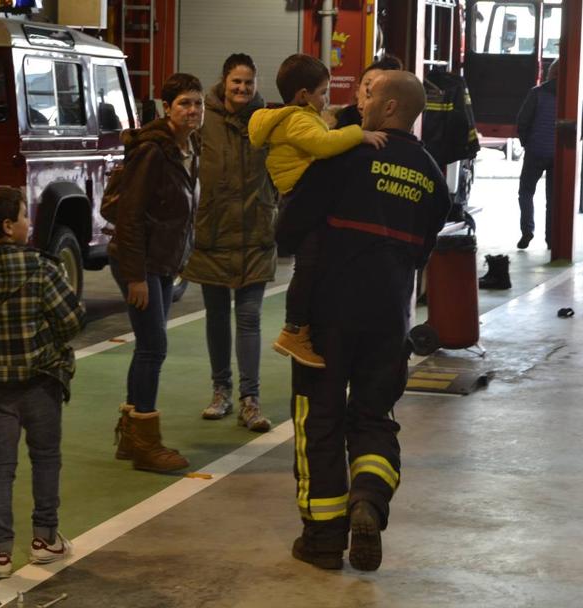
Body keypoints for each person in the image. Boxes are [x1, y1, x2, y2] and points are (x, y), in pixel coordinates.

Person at [275, 70, 451, 572]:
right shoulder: (431, 174)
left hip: (327, 315)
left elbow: (287, 232)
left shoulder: (345, 156)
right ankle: (368, 501)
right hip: (390, 319)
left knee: (320, 418)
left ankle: (323, 538)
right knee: (373, 417)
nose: (361, 100)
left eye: (370, 94)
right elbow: (423, 249)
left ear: (391, 108)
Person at [0, 186, 85, 579]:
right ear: (9, 227)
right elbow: (72, 321)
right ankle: (45, 539)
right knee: (45, 458)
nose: (28, 222)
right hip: (39, 381)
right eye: (24, 216)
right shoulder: (42, 267)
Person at [249, 53, 388, 369]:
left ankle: (300, 327)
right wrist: (360, 135)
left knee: (311, 265)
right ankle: (294, 329)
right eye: (323, 92)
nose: (327, 99)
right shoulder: (297, 119)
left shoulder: (293, 118)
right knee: (308, 267)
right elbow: (323, 145)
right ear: (303, 95)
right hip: (302, 197)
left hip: (302, 196)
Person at [110, 73, 203, 472]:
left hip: (162, 261)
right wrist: (135, 277)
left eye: (198, 103)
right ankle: (145, 444)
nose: (193, 110)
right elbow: (129, 216)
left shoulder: (188, 147)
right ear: (168, 108)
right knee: (154, 346)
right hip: (140, 262)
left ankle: (131, 436)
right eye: (184, 103)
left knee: (149, 346)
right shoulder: (153, 151)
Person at [181, 53, 276, 432]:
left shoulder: (265, 119)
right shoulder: (203, 118)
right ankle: (221, 391)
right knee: (218, 317)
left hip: (255, 232)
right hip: (213, 233)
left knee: (250, 317)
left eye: (248, 82)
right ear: (224, 81)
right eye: (236, 82)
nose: (242, 88)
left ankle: (250, 400)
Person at [515, 59, 559, 250]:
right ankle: (551, 238)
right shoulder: (572, 95)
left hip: (535, 151)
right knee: (553, 198)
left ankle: (527, 230)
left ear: (552, 73)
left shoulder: (537, 93)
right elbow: (582, 126)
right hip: (558, 155)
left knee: (526, 192)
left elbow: (522, 121)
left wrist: (527, 143)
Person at [333, 54, 403, 128]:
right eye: (368, 83)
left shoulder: (395, 126)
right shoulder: (341, 118)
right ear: (357, 91)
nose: (370, 89)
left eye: (378, 85)